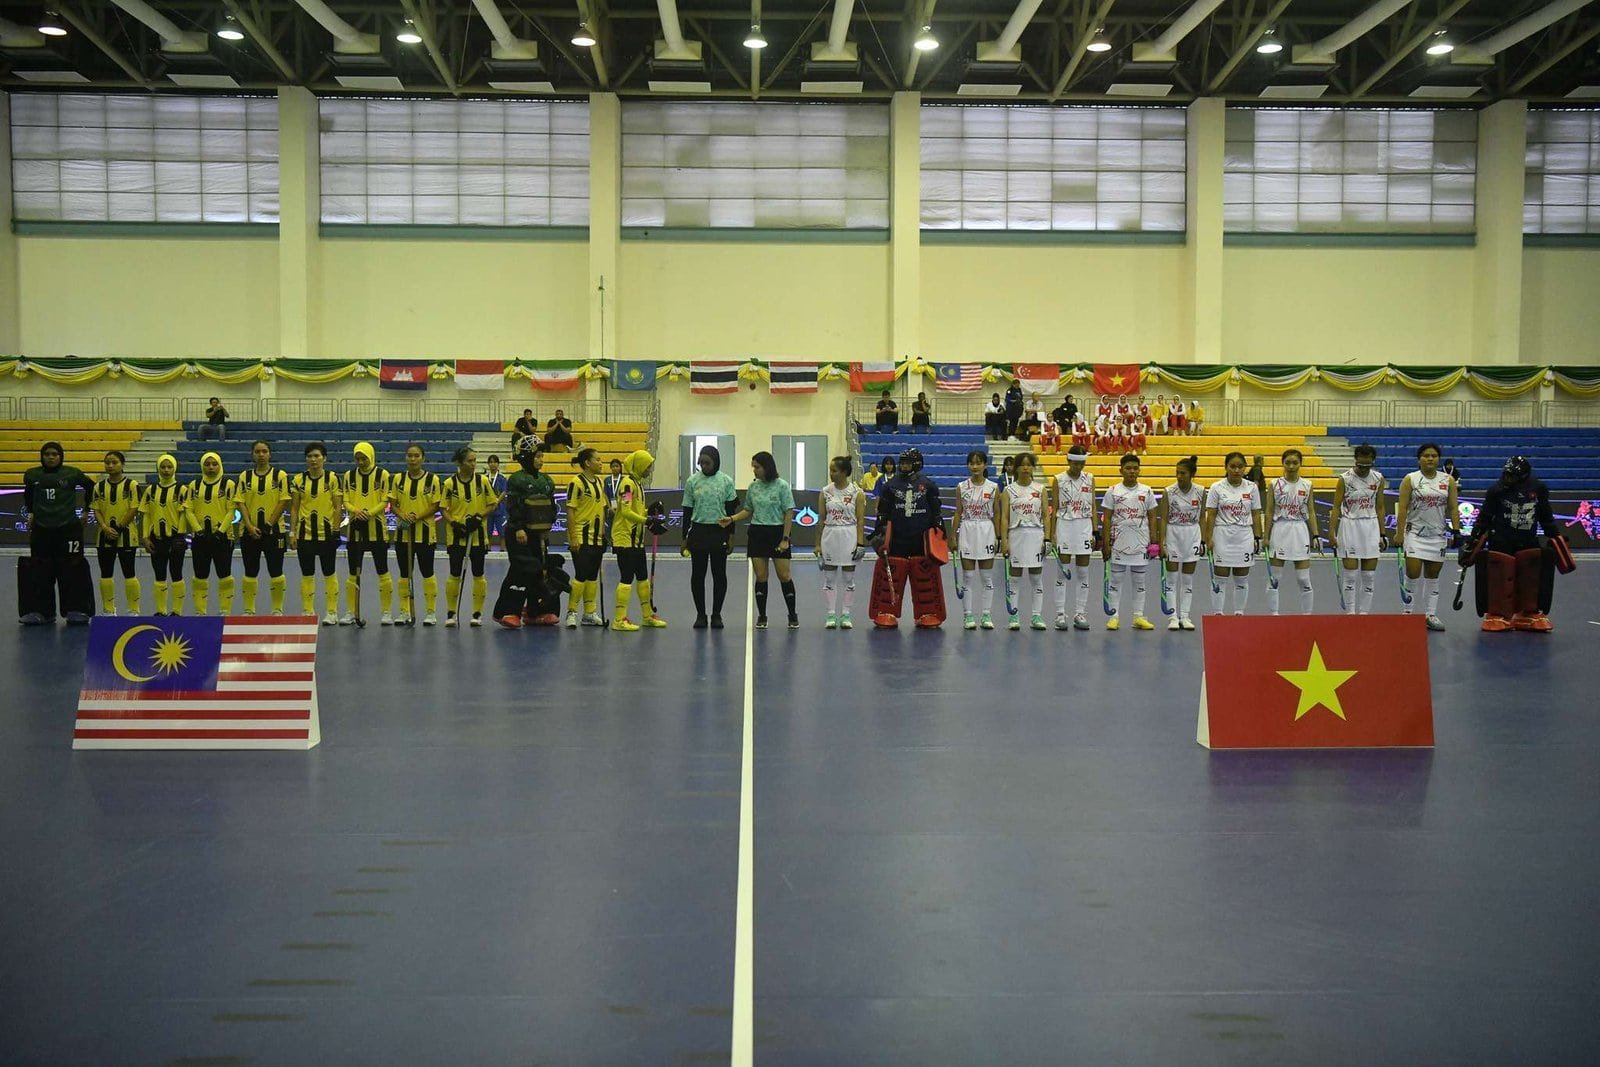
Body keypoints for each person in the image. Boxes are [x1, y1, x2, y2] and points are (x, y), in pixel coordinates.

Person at [1465, 456, 1572, 632]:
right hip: (1501, 541)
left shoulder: (1538, 489)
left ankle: (1528, 612)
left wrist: (1555, 536)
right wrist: (1473, 539)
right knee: (1499, 575)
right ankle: (1497, 612)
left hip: (1528, 540)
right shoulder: (1496, 491)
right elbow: (1484, 518)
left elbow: (1545, 516)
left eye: (1512, 475)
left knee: (1531, 577)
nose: (1507, 478)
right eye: (1506, 474)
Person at [868, 448, 946, 628]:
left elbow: (936, 514)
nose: (903, 466)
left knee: (923, 574)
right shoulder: (890, 486)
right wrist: (880, 534)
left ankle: (927, 613)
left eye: (907, 463)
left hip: (921, 539)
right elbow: (882, 514)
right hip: (897, 538)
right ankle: (887, 612)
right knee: (892, 573)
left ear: (917, 464)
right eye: (902, 462)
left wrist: (939, 534)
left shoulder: (928, 486)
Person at [20, 442, 96, 625]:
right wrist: (31, 513)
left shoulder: (72, 473)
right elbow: (28, 495)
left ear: (61, 456)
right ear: (42, 456)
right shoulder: (32, 475)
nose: (51, 457)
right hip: (41, 530)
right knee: (40, 570)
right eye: (47, 454)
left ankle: (76, 610)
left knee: (72, 569)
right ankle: (41, 612)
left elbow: (91, 487)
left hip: (68, 529)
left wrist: (87, 511)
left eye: (55, 454)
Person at [494, 436, 559, 628]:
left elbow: (551, 507)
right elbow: (513, 506)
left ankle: (535, 611)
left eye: (542, 456)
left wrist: (547, 527)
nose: (541, 460)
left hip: (539, 534)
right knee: (521, 569)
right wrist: (519, 527)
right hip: (519, 533)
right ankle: (507, 611)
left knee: (541, 570)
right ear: (527, 457)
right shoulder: (516, 479)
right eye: (537, 456)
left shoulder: (547, 481)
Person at [730, 451, 799, 629]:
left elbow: (788, 513)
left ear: (767, 467)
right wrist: (731, 519)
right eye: (753, 467)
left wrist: (785, 538)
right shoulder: (753, 487)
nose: (754, 470)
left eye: (757, 467)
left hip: (777, 533)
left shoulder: (782, 486)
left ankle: (792, 614)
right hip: (757, 534)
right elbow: (748, 510)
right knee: (761, 576)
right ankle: (762, 616)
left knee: (784, 576)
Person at [1396, 442, 1459, 632]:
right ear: (1419, 459)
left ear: (1438, 459)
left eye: (1434, 456)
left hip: (1437, 535)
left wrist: (1456, 531)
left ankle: (1430, 615)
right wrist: (1399, 533)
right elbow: (1403, 508)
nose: (1430, 458)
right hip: (1415, 534)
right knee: (1413, 572)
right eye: (1426, 456)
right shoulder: (1411, 479)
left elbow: (1453, 507)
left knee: (1433, 576)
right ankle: (1408, 613)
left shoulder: (1448, 480)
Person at [607, 449, 666, 632]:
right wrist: (647, 521)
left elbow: (636, 511)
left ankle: (647, 615)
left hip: (637, 540)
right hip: (625, 538)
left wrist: (649, 513)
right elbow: (625, 512)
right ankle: (619, 619)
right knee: (626, 578)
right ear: (639, 466)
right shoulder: (627, 485)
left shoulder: (637, 485)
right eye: (647, 466)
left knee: (642, 577)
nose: (649, 469)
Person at [1101, 453, 1160, 631]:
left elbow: (1152, 517)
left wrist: (1154, 542)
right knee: (1116, 581)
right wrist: (1105, 543)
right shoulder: (1113, 491)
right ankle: (1113, 617)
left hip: (1141, 542)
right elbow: (1107, 518)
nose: (1132, 471)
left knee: (1139, 582)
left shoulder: (1147, 491)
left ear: (1139, 470)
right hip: (1118, 541)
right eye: (1128, 468)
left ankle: (1138, 616)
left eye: (1135, 468)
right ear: (1121, 470)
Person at [441, 446, 498, 627]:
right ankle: (451, 613)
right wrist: (454, 523)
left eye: (475, 460)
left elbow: (493, 504)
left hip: (478, 535)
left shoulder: (483, 481)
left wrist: (479, 517)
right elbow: (443, 508)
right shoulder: (449, 484)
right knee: (454, 573)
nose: (473, 464)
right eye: (470, 461)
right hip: (456, 536)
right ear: (460, 463)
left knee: (478, 573)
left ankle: (477, 613)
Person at [682, 444, 738, 629]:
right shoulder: (692, 481)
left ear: (716, 462)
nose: (704, 466)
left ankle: (716, 614)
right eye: (701, 463)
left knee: (719, 575)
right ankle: (700, 614)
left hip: (719, 532)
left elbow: (731, 511)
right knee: (697, 575)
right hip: (698, 532)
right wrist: (684, 539)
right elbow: (687, 512)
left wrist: (731, 536)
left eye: (708, 463)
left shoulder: (726, 481)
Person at [1202, 451, 1264, 616]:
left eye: (1240, 467)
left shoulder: (1252, 488)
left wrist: (1258, 537)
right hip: (1222, 534)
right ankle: (1218, 613)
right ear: (1226, 467)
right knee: (1220, 576)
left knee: (1241, 577)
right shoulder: (1216, 487)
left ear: (1245, 468)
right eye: (1233, 466)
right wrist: (1208, 538)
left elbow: (1256, 514)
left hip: (1244, 535)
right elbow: (1211, 514)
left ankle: (1239, 613)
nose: (1236, 470)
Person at [289, 441, 343, 626]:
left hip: (326, 535)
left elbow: (338, 507)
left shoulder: (333, 479)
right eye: (310, 456)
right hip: (305, 535)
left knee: (329, 572)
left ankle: (332, 612)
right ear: (306, 459)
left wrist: (336, 531)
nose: (313, 459)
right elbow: (294, 508)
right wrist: (292, 532)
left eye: (317, 456)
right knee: (307, 573)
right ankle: (307, 611)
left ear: (324, 458)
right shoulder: (298, 480)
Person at [1330, 443, 1387, 616]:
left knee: (1369, 576)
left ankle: (1364, 614)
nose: (1363, 469)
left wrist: (1383, 533)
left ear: (1373, 461)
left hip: (1370, 526)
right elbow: (1336, 506)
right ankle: (1350, 614)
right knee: (1350, 576)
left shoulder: (1378, 478)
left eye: (1367, 465)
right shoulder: (1345, 479)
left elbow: (1380, 507)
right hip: (1350, 525)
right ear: (1355, 460)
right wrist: (1332, 533)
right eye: (1360, 465)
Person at [342, 442, 394, 625]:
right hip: (355, 530)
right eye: (357, 459)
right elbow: (346, 500)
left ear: (371, 456)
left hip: (377, 530)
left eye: (363, 458)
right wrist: (356, 511)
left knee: (382, 570)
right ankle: (351, 611)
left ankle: (386, 612)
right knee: (353, 572)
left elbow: (385, 500)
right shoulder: (349, 476)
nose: (360, 462)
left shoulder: (383, 474)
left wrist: (369, 513)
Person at [390, 444, 442, 625]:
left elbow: (435, 505)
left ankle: (431, 613)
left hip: (425, 534)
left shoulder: (433, 479)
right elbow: (393, 504)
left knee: (427, 572)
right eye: (410, 455)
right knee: (405, 573)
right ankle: (404, 611)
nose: (413, 459)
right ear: (406, 458)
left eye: (416, 455)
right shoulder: (398, 479)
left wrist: (417, 517)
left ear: (423, 458)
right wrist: (403, 515)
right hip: (403, 535)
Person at [237, 440, 290, 616]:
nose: (261, 455)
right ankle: (249, 610)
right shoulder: (244, 476)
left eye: (264, 451)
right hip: (249, 532)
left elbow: (283, 501)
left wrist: (268, 525)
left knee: (276, 571)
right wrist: (249, 526)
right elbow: (241, 502)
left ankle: (277, 609)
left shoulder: (280, 475)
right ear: (252, 454)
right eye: (257, 451)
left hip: (274, 532)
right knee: (250, 571)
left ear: (270, 454)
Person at [1265, 449, 1320, 616]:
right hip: (1280, 529)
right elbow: (1269, 511)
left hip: (1300, 530)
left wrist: (1316, 535)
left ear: (1300, 464)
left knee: (1303, 578)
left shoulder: (1307, 485)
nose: (1291, 466)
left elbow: (1311, 511)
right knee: (1275, 577)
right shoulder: (1274, 484)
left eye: (1295, 463)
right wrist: (1266, 537)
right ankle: (1274, 615)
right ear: (1282, 463)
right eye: (1287, 462)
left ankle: (1307, 616)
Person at [184, 450, 238, 616]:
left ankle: (225, 611)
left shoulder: (229, 484)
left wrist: (221, 532)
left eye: (214, 464)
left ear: (220, 465)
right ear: (202, 466)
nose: (211, 467)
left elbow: (231, 510)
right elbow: (188, 510)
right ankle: (200, 612)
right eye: (207, 464)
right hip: (200, 538)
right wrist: (198, 530)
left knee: (225, 575)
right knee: (200, 576)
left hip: (223, 537)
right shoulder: (194, 485)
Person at [999, 452, 1047, 631]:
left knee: (1036, 577)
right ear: (1016, 468)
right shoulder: (1008, 490)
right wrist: (1004, 540)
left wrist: (1047, 538)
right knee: (1015, 577)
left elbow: (1046, 515)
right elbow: (1004, 517)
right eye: (1022, 465)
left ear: (1033, 467)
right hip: (1016, 535)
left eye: (1029, 465)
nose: (1025, 468)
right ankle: (1014, 616)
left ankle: (1036, 616)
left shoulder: (1040, 489)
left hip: (1035, 535)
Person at [90, 450, 142, 616]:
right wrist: (105, 528)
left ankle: (133, 609)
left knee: (129, 572)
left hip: (127, 536)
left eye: (114, 462)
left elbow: (134, 508)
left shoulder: (132, 485)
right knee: (106, 573)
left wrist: (119, 528)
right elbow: (96, 509)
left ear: (122, 464)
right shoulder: (98, 487)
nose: (110, 466)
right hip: (104, 536)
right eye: (107, 463)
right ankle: (108, 609)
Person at [818, 456, 867, 630]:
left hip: (849, 535)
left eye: (834, 471)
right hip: (830, 535)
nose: (831, 474)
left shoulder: (856, 492)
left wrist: (860, 543)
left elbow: (860, 520)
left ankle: (846, 614)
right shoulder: (825, 492)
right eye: (830, 470)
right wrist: (817, 544)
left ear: (844, 472)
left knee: (848, 579)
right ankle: (831, 614)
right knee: (829, 579)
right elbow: (821, 519)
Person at [1050, 448, 1097, 631]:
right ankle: (1060, 614)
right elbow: (1054, 507)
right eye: (1076, 463)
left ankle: (1080, 613)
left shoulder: (1090, 478)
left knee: (1083, 572)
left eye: (1082, 463)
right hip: (1065, 525)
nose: (1079, 466)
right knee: (1062, 572)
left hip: (1084, 526)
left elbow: (1093, 506)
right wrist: (1052, 534)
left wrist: (1095, 531)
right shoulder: (1058, 479)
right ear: (1069, 461)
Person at [953, 450, 1000, 630]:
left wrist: (999, 537)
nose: (975, 466)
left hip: (986, 530)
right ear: (968, 465)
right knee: (968, 576)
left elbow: (997, 514)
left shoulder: (993, 487)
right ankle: (968, 615)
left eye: (978, 463)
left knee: (986, 577)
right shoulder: (961, 487)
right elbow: (958, 512)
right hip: (968, 529)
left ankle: (986, 615)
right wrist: (953, 535)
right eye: (972, 463)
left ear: (985, 465)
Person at [563, 447, 608, 628]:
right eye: (598, 459)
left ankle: (589, 613)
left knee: (592, 576)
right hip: (581, 538)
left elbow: (601, 509)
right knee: (581, 575)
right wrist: (573, 537)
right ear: (587, 463)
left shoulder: (600, 482)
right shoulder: (576, 482)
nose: (601, 463)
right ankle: (571, 612)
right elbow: (570, 511)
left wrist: (603, 534)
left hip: (596, 539)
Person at [140, 454, 189, 617]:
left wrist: (180, 536)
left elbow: (184, 515)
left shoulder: (182, 490)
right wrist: (145, 537)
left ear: (175, 468)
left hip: (175, 539)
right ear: (158, 469)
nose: (166, 470)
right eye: (163, 467)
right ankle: (161, 610)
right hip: (156, 540)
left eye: (169, 467)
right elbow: (146, 515)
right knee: (159, 575)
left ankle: (177, 611)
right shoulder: (151, 490)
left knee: (177, 574)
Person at [1161, 455, 1204, 631]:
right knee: (1171, 579)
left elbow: (1202, 517)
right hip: (1173, 533)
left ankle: (1185, 616)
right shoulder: (1169, 491)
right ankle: (1172, 616)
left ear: (1192, 474)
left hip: (1192, 534)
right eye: (1177, 473)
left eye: (1183, 473)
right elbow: (1164, 518)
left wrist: (1204, 539)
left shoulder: (1201, 491)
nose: (1179, 476)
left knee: (1187, 579)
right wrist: (1162, 542)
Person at [486, 455, 509, 546]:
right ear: (488, 464)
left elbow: (504, 491)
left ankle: (503, 548)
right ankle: (487, 548)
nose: (493, 464)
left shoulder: (502, 478)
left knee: (502, 531)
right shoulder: (484, 478)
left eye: (495, 462)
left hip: (499, 508)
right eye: (491, 462)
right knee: (488, 530)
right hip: (488, 508)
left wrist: (496, 502)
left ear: (498, 464)